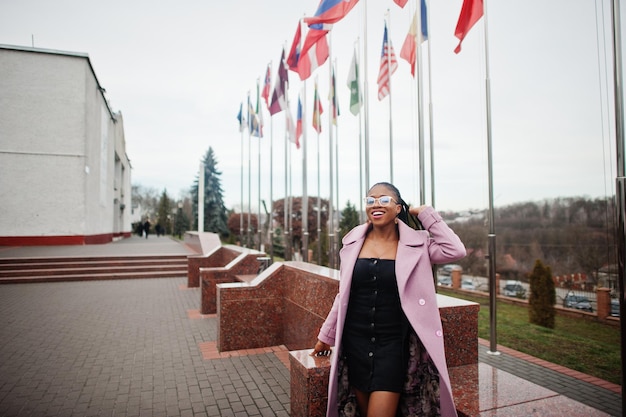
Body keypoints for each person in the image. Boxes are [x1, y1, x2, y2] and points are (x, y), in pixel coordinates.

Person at [311, 182, 466, 417]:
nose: (376, 204)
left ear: (398, 209)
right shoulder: (352, 242)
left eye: (384, 200)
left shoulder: (418, 244)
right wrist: (325, 337)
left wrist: (426, 214)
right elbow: (344, 295)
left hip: (392, 345)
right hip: (355, 343)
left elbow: (455, 250)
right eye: (370, 199)